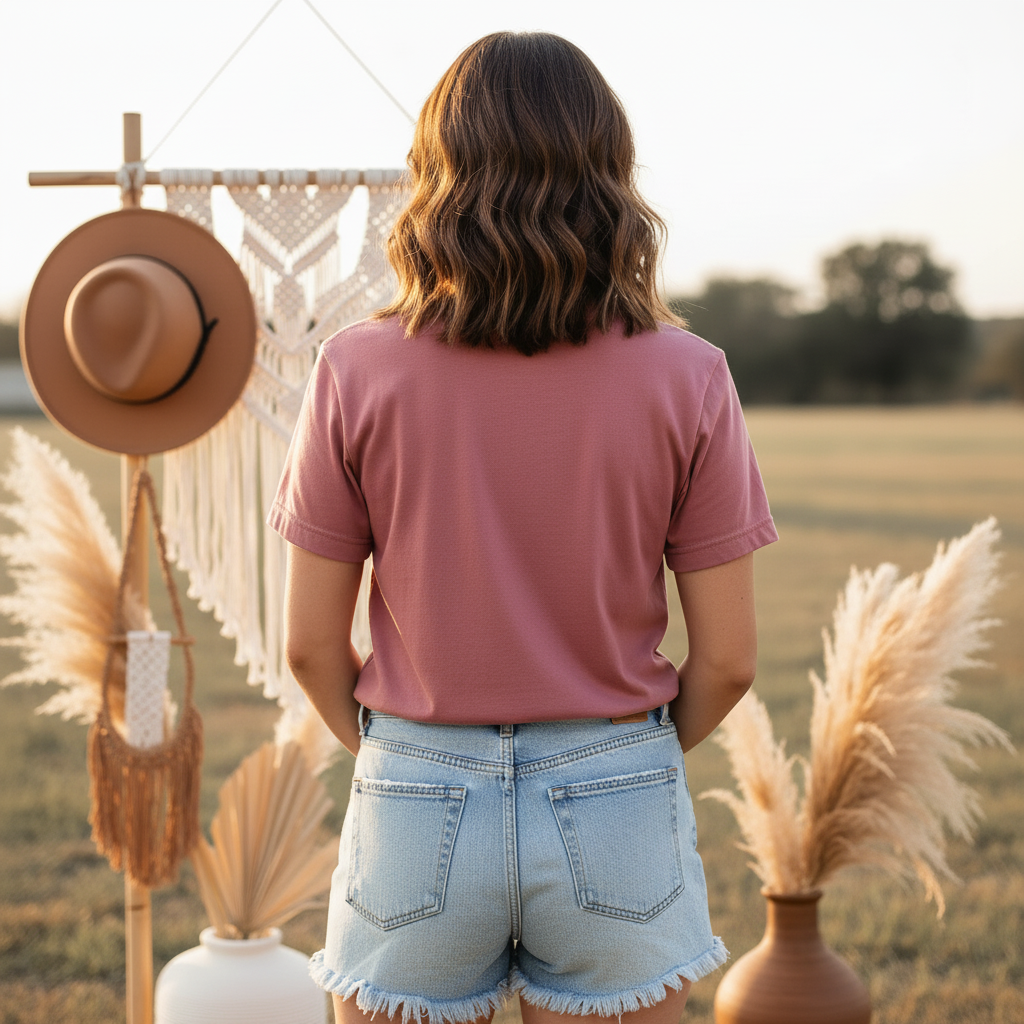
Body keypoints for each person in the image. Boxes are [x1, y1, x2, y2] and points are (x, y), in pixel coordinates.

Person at [269, 31, 777, 1024]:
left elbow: (306, 645)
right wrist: (618, 764)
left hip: (415, 785)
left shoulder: (353, 369)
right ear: (608, 175)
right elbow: (726, 664)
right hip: (617, 779)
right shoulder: (691, 374)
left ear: (437, 176)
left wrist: (408, 760)